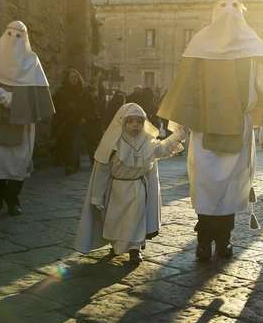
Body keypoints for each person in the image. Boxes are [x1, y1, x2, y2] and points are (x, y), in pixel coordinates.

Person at [158, 0, 263, 259]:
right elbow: (187, 88)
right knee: (206, 188)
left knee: (229, 190)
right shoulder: (200, 44)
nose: (229, 10)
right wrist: (181, 124)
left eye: (235, 5)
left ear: (241, 10)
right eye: (223, 5)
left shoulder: (252, 46)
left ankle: (223, 241)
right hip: (204, 129)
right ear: (215, 10)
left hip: (237, 129)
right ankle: (204, 241)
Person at [74, 103, 186, 264]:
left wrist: (179, 135)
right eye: (130, 121)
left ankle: (135, 248)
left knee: (136, 217)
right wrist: (97, 196)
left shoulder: (149, 142)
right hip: (116, 189)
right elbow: (101, 172)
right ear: (122, 122)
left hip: (138, 187)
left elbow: (164, 149)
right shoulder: (112, 144)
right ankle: (117, 244)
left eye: (139, 121)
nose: (135, 125)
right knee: (115, 219)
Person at [0, 21, 54, 215]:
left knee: (18, 160)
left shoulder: (32, 63)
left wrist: (13, 99)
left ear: (25, 38)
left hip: (22, 121)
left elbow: (35, 96)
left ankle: (13, 199)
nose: (13, 40)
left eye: (18, 36)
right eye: (9, 34)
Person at [52, 69, 94, 175]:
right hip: (66, 121)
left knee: (74, 142)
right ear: (67, 79)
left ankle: (70, 165)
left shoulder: (83, 91)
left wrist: (86, 117)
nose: (73, 79)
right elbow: (55, 104)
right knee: (67, 142)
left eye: (75, 76)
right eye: (71, 77)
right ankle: (76, 163)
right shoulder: (62, 91)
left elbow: (92, 105)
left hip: (79, 121)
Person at [84, 85, 104, 165]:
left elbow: (101, 109)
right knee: (90, 143)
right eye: (92, 92)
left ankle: (96, 158)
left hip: (96, 124)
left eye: (94, 92)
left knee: (96, 142)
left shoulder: (96, 100)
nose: (93, 94)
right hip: (89, 124)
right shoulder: (87, 100)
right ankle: (93, 159)